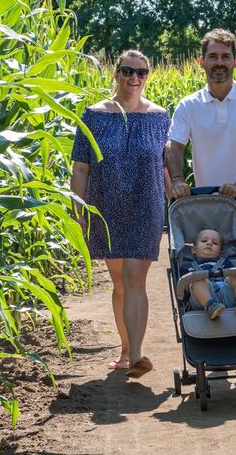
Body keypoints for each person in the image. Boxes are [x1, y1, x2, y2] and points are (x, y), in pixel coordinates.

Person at [70, 50, 170, 379]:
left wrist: (178, 203)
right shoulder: (94, 116)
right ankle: (126, 351)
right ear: (116, 74)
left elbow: (165, 166)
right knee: (119, 284)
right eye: (128, 71)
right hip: (106, 206)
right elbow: (81, 168)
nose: (134, 78)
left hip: (146, 203)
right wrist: (78, 207)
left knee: (135, 279)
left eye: (141, 73)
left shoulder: (159, 117)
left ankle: (138, 354)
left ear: (147, 76)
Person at [166, 28, 236, 275]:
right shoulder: (189, 105)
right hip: (209, 211)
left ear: (235, 60)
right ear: (201, 61)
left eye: (225, 56)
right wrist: (178, 180)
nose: (219, 63)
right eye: (213, 56)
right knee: (208, 280)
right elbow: (174, 145)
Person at [180, 229, 236, 319]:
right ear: (194, 249)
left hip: (227, 293)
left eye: (215, 243)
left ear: (220, 253)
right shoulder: (187, 267)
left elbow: (232, 278)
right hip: (201, 299)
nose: (209, 243)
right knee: (196, 281)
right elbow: (183, 288)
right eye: (204, 241)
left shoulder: (225, 262)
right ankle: (210, 305)